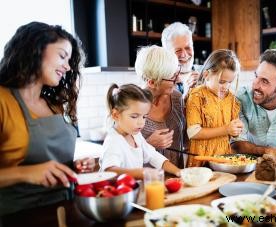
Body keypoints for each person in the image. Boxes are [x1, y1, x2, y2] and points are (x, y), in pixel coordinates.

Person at [0, 21, 95, 216]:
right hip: (19, 217)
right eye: (62, 56)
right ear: (35, 49)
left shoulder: (55, 104)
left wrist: (72, 167)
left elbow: (52, 161)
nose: (68, 67)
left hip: (67, 209)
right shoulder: (3, 100)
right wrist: (27, 173)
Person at [99, 83, 181, 179]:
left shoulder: (136, 136)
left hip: (132, 191)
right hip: (115, 193)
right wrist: (142, 172)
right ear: (116, 115)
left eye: (144, 117)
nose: (141, 123)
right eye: (134, 116)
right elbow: (110, 171)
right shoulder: (113, 141)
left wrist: (178, 172)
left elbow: (154, 156)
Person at [186, 49, 244, 167]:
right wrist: (226, 129)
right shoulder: (197, 96)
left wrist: (236, 130)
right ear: (206, 75)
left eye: (230, 82)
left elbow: (233, 132)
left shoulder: (231, 99)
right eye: (222, 82)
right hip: (201, 161)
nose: (226, 87)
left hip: (223, 160)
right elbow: (193, 132)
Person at [134, 45, 187, 168]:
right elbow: (121, 159)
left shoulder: (177, 98)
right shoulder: (131, 107)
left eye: (176, 73)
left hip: (176, 177)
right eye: (172, 76)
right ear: (152, 82)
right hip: (147, 181)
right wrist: (148, 144)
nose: (178, 79)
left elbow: (186, 138)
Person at [161, 22, 200, 96]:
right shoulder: (160, 82)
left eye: (188, 48)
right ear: (167, 53)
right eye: (178, 50)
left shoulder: (207, 74)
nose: (184, 55)